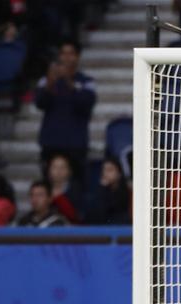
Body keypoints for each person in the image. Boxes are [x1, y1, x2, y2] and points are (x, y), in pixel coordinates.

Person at [34, 40, 96, 180]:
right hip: (51, 142)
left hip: (75, 144)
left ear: (78, 56)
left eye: (71, 53)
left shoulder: (87, 81)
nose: (67, 58)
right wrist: (50, 83)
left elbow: (86, 103)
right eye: (63, 53)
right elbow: (39, 103)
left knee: (77, 187)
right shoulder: (47, 80)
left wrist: (69, 81)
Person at [87, 156, 131, 224]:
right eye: (103, 170)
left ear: (119, 173)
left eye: (110, 170)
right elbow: (93, 215)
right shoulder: (100, 190)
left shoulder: (127, 192)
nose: (105, 173)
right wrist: (102, 189)